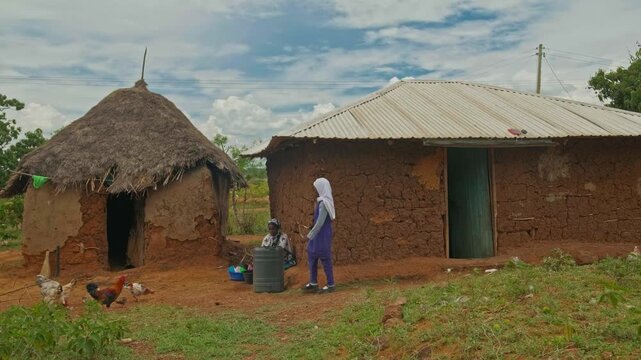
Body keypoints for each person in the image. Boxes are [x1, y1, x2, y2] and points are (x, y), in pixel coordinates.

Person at [302, 177, 336, 294]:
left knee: (324, 256)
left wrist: (309, 235)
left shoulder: (324, 203)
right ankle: (313, 283)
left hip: (322, 234)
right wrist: (312, 228)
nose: (316, 190)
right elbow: (317, 221)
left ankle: (331, 284)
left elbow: (321, 222)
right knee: (312, 254)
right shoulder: (321, 201)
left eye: (317, 188)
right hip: (317, 233)